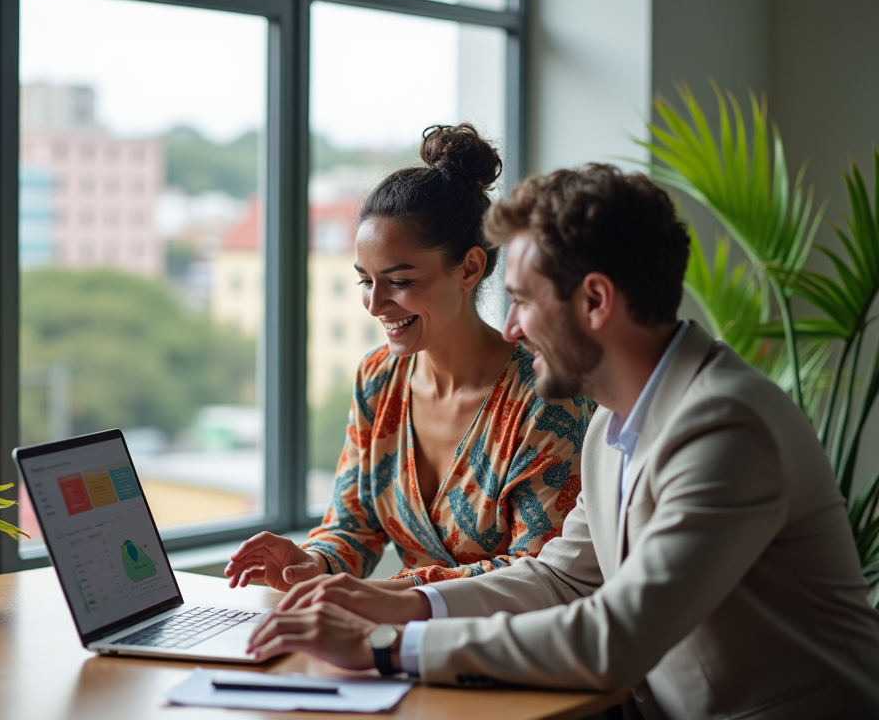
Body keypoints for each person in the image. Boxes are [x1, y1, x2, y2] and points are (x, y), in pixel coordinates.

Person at [245, 164, 879, 719]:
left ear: (596, 301)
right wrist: (391, 604)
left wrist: (380, 645)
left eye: (522, 300)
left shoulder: (726, 427)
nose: (513, 328)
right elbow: (559, 580)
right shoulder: (612, 421)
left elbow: (614, 637)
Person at [225, 125, 594, 592]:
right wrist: (310, 563)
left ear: (471, 267)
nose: (375, 305)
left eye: (399, 282)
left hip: (513, 652)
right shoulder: (379, 378)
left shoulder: (546, 397)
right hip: (399, 645)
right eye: (365, 280)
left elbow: (540, 576)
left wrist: (385, 595)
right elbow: (353, 525)